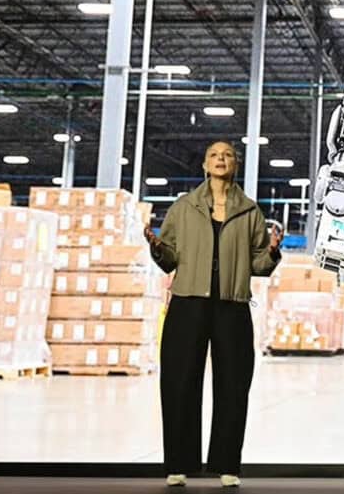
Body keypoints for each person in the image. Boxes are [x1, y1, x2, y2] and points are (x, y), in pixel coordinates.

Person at [145, 140, 282, 488]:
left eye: (228, 156)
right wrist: (157, 248)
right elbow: (170, 258)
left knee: (234, 386)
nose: (221, 160)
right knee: (179, 382)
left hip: (231, 305)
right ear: (205, 164)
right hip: (188, 301)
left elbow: (258, 265)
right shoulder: (183, 207)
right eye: (214, 155)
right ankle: (179, 463)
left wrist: (273, 252)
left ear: (235, 164)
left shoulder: (250, 212)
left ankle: (227, 464)